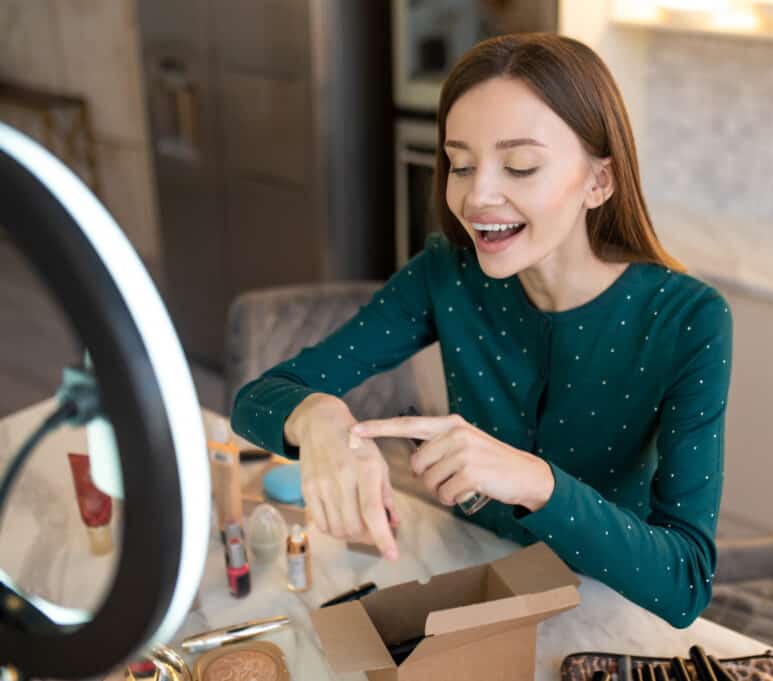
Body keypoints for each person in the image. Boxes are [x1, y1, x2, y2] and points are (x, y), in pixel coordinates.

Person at [231, 33, 732, 628]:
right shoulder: (446, 275)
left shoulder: (690, 321)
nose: (477, 195)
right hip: (472, 575)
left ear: (599, 181)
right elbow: (256, 399)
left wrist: (533, 480)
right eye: (461, 164)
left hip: (603, 603)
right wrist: (318, 418)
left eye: (519, 165)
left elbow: (685, 582)